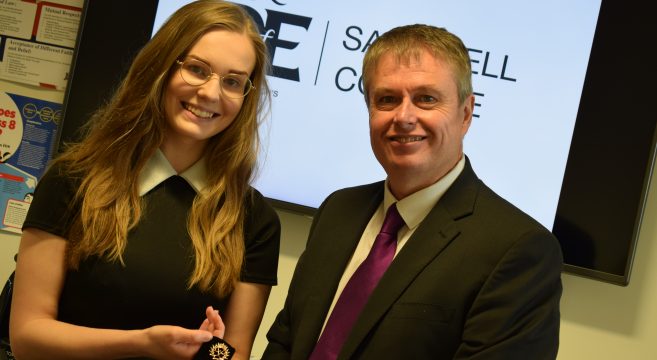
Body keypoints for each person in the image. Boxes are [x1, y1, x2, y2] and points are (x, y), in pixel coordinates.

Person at [263, 24, 562, 359]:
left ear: (465, 114)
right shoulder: (338, 210)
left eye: (426, 99)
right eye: (387, 99)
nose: (404, 117)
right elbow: (285, 342)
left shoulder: (518, 250)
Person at [9, 1, 280, 359]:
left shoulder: (254, 220)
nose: (212, 94)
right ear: (161, 68)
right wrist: (141, 344)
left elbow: (230, 356)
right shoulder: (73, 180)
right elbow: (27, 338)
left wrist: (206, 348)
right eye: (197, 70)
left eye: (233, 81)